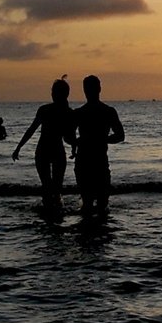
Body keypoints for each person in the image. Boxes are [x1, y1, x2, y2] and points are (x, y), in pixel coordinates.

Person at [13, 78, 75, 218]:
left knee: (48, 186)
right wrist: (74, 147)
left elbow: (32, 129)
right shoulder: (67, 112)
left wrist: (19, 147)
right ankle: (56, 214)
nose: (52, 94)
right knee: (55, 187)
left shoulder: (47, 110)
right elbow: (68, 137)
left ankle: (49, 214)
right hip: (52, 151)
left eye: (54, 91)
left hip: (44, 151)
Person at [71, 75, 124, 218]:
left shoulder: (81, 113)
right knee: (100, 205)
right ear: (99, 89)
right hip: (95, 161)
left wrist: (80, 141)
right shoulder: (107, 111)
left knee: (91, 204)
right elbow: (120, 136)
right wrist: (102, 139)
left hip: (89, 161)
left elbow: (68, 137)